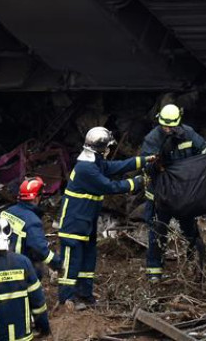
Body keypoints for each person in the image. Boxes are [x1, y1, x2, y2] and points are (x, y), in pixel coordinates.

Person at [57, 126, 154, 308]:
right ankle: (67, 299)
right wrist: (138, 182)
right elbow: (110, 187)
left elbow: (116, 166)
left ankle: (85, 295)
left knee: (88, 260)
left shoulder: (95, 162)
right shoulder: (86, 169)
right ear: (101, 148)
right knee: (72, 263)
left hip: (87, 223)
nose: (109, 150)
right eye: (107, 147)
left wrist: (144, 161)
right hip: (74, 225)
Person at [140, 104, 206, 282]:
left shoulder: (188, 133)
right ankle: (154, 270)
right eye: (165, 126)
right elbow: (147, 166)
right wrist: (160, 157)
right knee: (157, 231)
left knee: (190, 229)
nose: (168, 129)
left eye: (171, 126)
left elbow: (203, 150)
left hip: (183, 194)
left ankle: (197, 264)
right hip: (160, 195)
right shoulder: (153, 139)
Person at [0, 217, 50, 340]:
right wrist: (44, 327)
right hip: (23, 336)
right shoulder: (24, 262)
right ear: (9, 238)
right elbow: (37, 300)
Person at [0, 177, 61, 278]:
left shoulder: (7, 212)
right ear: (36, 198)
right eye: (41, 195)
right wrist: (58, 263)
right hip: (22, 272)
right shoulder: (32, 221)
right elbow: (40, 250)